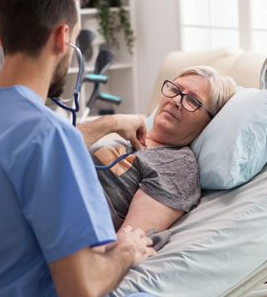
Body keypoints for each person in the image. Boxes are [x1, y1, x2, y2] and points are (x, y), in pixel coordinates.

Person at [0, 0, 155, 297]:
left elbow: (22, 151)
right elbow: (83, 288)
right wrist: (126, 250)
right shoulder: (48, 136)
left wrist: (111, 123)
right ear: (62, 37)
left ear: (1, 38)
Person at [91, 67, 237, 233]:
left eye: (192, 101)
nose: (175, 100)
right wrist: (111, 124)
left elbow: (129, 239)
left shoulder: (178, 167)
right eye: (174, 89)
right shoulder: (127, 135)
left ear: (209, 122)